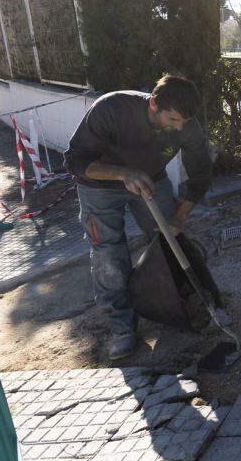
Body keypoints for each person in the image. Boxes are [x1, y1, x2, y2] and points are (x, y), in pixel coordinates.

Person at [64, 74, 213, 360]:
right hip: (98, 186)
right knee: (108, 255)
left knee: (172, 242)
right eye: (173, 120)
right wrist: (122, 173)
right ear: (154, 104)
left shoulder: (186, 124)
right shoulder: (112, 109)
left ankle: (190, 303)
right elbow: (75, 161)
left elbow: (201, 174)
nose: (179, 128)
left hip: (150, 181)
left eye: (183, 122)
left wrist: (178, 219)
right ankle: (122, 326)